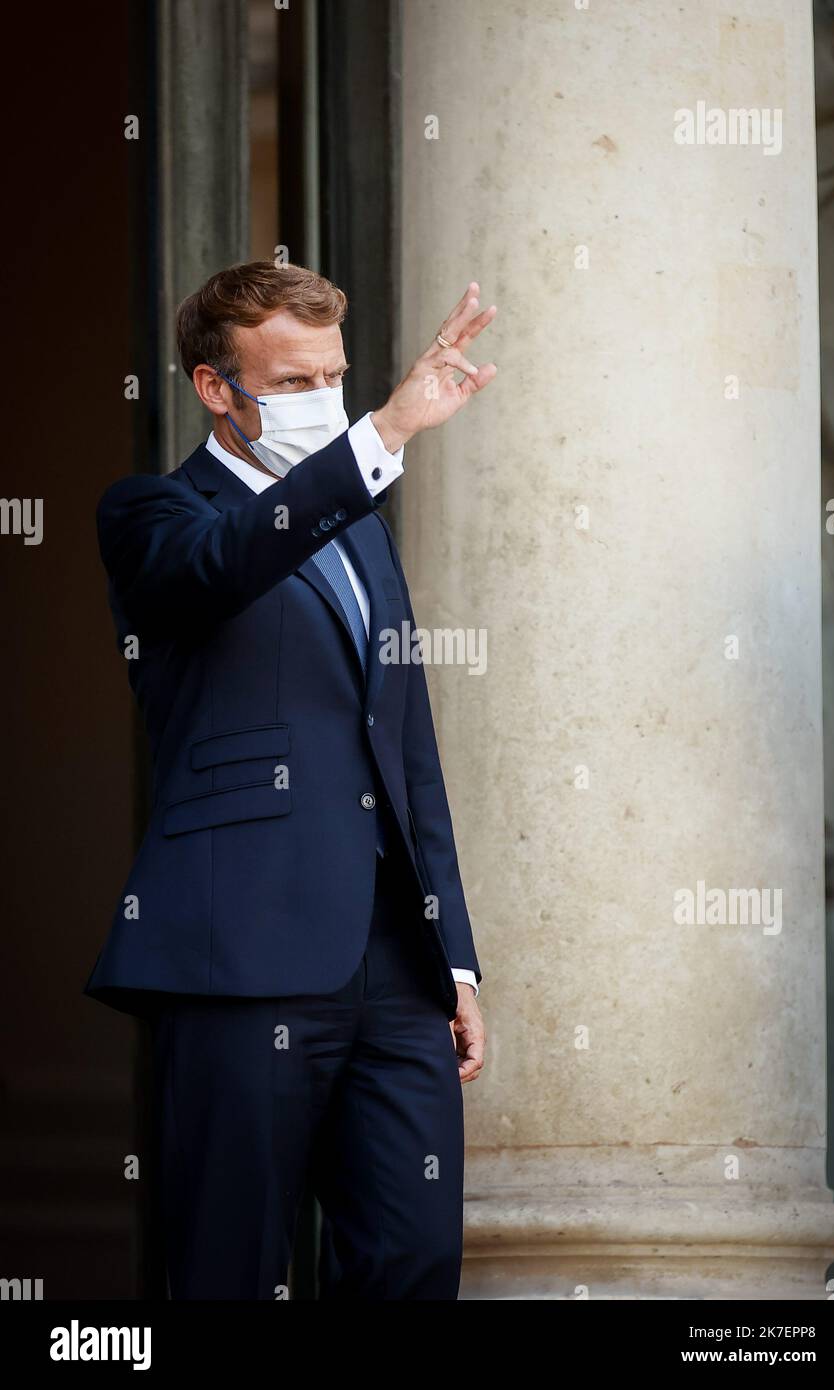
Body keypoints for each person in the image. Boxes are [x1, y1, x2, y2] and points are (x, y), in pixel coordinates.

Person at [83, 261, 496, 1300]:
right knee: (224, 1267)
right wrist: (384, 435)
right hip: (237, 957)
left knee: (411, 1265)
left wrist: (453, 958)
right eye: (294, 383)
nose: (324, 402)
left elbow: (405, 747)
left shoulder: (361, 530)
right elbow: (229, 563)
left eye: (336, 379)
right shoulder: (151, 515)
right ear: (214, 387)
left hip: (395, 971)